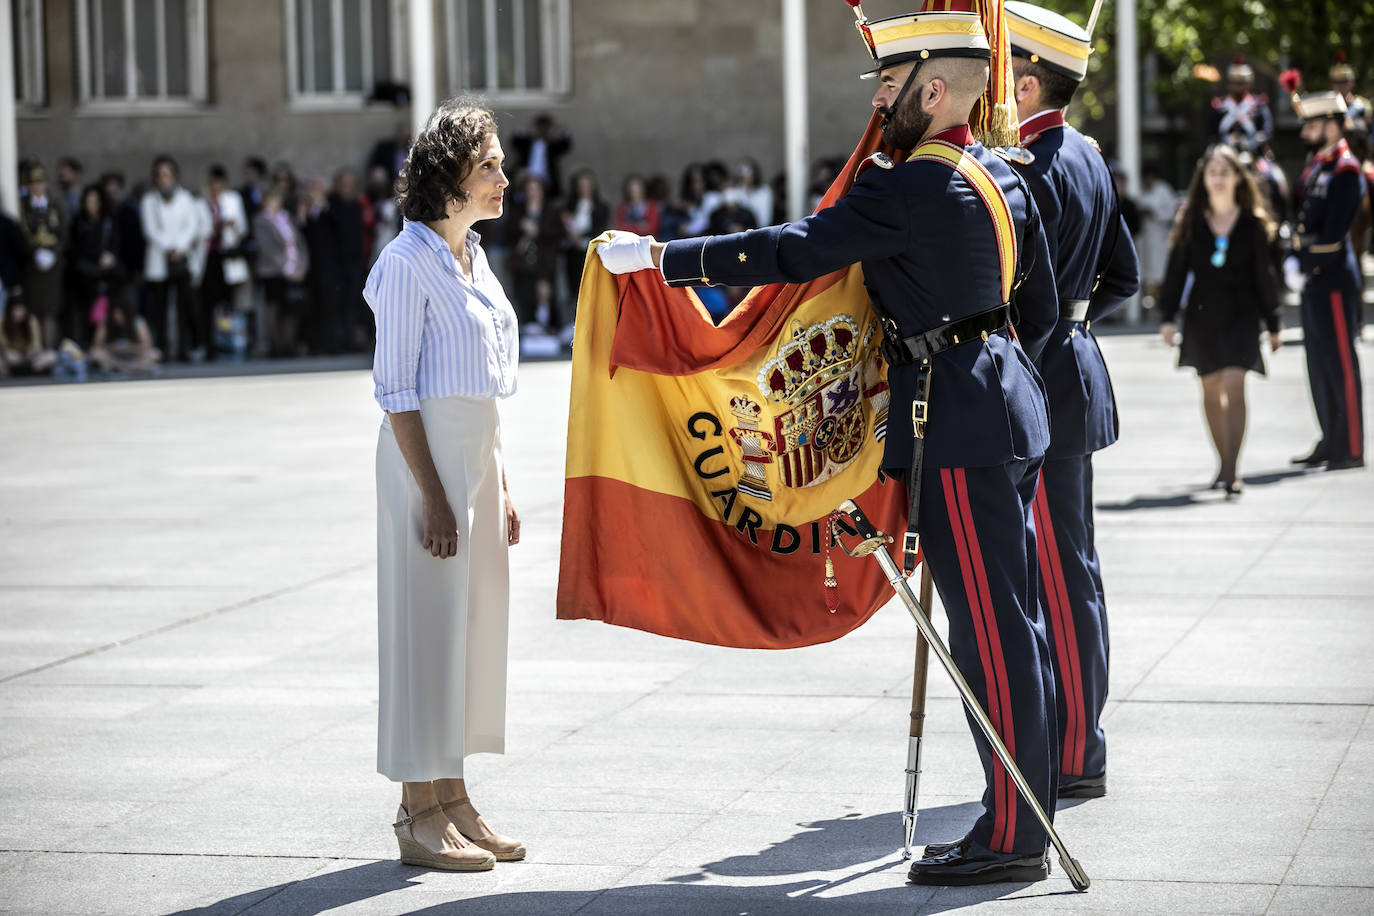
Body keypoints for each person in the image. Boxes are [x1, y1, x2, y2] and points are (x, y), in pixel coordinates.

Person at [599, 6, 1060, 886]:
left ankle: (1015, 836)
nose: (878, 105)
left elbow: (792, 249)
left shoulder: (909, 186)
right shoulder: (998, 174)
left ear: (931, 89)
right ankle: (1020, 814)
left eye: (889, 87)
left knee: (990, 635)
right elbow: (1029, 303)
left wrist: (664, 259)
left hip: (955, 423)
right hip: (1006, 405)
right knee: (1016, 619)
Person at [365, 98, 526, 872]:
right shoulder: (403, 264)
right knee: (424, 634)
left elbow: (484, 381)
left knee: (470, 634)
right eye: (488, 163)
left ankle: (456, 797)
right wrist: (432, 491)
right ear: (450, 176)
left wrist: (500, 482)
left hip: (476, 461)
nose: (503, 175)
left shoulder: (473, 256)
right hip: (424, 464)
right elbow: (396, 391)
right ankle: (416, 809)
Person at [1004, 0, 1140, 802]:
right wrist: (1078, 332)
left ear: (1027, 83)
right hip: (1077, 370)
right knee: (1073, 565)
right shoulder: (1088, 156)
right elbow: (1119, 276)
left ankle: (1076, 752)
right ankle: (1081, 738)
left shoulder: (1034, 168)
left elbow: (1030, 299)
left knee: (1055, 570)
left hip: (1045, 380)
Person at [1157, 145, 1283, 495]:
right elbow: (1176, 272)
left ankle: (1231, 470)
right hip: (1203, 315)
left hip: (1243, 314)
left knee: (1233, 384)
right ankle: (1222, 464)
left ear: (1238, 178)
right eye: (1212, 171)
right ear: (1204, 178)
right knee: (1210, 389)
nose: (1218, 177)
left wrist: (1274, 323)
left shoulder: (1253, 222)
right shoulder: (1191, 220)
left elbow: (1265, 276)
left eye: (1225, 171)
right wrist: (1167, 317)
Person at [1289, 91, 1366, 471]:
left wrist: (1302, 259)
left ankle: (1350, 446)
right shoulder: (1317, 166)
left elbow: (1335, 234)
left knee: (1340, 365)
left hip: (1332, 278)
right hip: (1313, 279)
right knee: (1318, 364)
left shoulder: (1346, 169)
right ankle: (1330, 437)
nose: (1306, 132)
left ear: (1333, 125)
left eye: (1313, 124)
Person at [140, 155, 202, 361]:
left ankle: (183, 348)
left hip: (181, 261)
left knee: (183, 307)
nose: (164, 179)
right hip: (159, 260)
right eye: (160, 175)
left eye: (167, 174)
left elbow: (191, 226)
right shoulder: (149, 201)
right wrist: (167, 247)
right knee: (159, 308)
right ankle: (162, 348)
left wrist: (179, 248)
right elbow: (150, 229)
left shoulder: (185, 199)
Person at [199, 165, 251, 360]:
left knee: (229, 304)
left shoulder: (233, 200)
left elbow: (243, 229)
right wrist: (212, 226)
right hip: (208, 258)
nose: (215, 187)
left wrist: (232, 225)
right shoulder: (201, 203)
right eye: (212, 184)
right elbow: (198, 231)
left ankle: (229, 342)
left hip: (228, 257)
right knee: (208, 304)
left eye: (219, 183)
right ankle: (210, 344)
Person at [252, 187, 310, 357]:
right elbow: (267, 248)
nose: (275, 203)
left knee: (292, 308)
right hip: (273, 271)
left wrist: (302, 266)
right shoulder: (261, 220)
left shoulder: (286, 218)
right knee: (274, 308)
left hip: (294, 269)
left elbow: (300, 244)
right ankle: (276, 346)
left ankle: (289, 344)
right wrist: (286, 268)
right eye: (271, 199)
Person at [66, 183, 125, 345]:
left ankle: (106, 342)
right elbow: (76, 249)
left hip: (107, 274)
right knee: (87, 311)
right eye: (88, 201)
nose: (91, 205)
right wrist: (97, 256)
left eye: (95, 201)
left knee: (107, 309)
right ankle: (88, 344)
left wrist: (110, 257)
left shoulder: (109, 221)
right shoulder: (79, 221)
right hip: (85, 276)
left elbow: (116, 243)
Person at [17, 164, 65, 348]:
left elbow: (63, 232)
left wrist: (54, 253)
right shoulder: (24, 206)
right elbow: (23, 232)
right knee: (34, 309)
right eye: (34, 183)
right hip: (33, 264)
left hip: (53, 263)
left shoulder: (54, 204)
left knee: (51, 309)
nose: (37, 186)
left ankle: (50, 349)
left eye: (40, 182)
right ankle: (37, 350)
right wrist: (35, 252)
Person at [560, 167, 610, 336]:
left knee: (591, 288)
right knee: (573, 288)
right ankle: (574, 324)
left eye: (587, 185)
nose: (584, 188)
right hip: (572, 253)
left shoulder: (601, 207)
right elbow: (563, 227)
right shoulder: (568, 208)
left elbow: (600, 229)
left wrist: (580, 238)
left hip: (590, 252)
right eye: (581, 185)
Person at [1209, 56, 1274, 152]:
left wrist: (1251, 143)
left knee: (1269, 167)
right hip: (1223, 149)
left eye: (1242, 83)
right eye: (1235, 83)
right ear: (1229, 84)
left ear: (1249, 84)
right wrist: (1226, 141)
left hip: (1253, 150)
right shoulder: (1219, 105)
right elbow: (1211, 131)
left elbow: (1267, 131)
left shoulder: (1259, 105)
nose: (1238, 86)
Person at [89, 295, 161, 376]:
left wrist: (129, 348)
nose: (117, 317)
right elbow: (97, 345)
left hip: (134, 357)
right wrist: (114, 348)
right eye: (115, 313)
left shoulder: (137, 322)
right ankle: (123, 369)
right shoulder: (106, 322)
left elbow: (147, 345)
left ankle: (126, 369)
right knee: (95, 354)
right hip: (113, 357)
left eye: (120, 314)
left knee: (154, 354)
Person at [1136, 164, 1178, 301]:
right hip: (1145, 239)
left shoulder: (1163, 190)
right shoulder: (1141, 190)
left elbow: (1172, 213)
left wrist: (1155, 214)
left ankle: (1163, 301)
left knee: (1161, 271)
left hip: (1160, 237)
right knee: (1145, 272)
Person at [511, 113, 572, 197]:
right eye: (540, 127)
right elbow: (515, 140)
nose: (542, 130)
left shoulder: (552, 145)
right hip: (526, 181)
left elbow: (566, 144)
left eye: (546, 127)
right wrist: (527, 126)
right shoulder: (527, 143)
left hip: (548, 184)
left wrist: (559, 127)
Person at [0, 291, 58, 377]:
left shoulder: (31, 321)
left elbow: (37, 344)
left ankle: (31, 372)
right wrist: (9, 353)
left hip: (29, 359)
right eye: (16, 310)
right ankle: (11, 374)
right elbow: (3, 345)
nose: (18, 313)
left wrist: (31, 351)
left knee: (52, 356)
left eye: (21, 310)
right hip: (11, 359)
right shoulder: (2, 322)